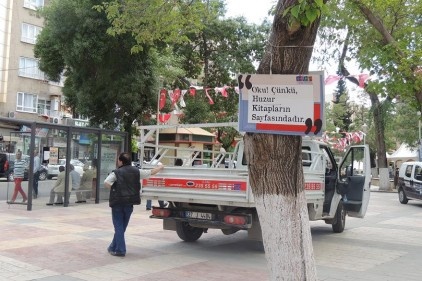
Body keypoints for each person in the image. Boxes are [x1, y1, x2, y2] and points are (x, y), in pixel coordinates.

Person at [104, 152, 164, 257]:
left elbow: (106, 182)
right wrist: (160, 167)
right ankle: (112, 247)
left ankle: (120, 250)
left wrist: (115, 190)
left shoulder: (116, 173)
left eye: (118, 160)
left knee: (118, 226)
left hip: (117, 202)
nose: (118, 162)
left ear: (121, 161)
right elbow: (150, 172)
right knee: (122, 227)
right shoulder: (137, 171)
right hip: (130, 202)